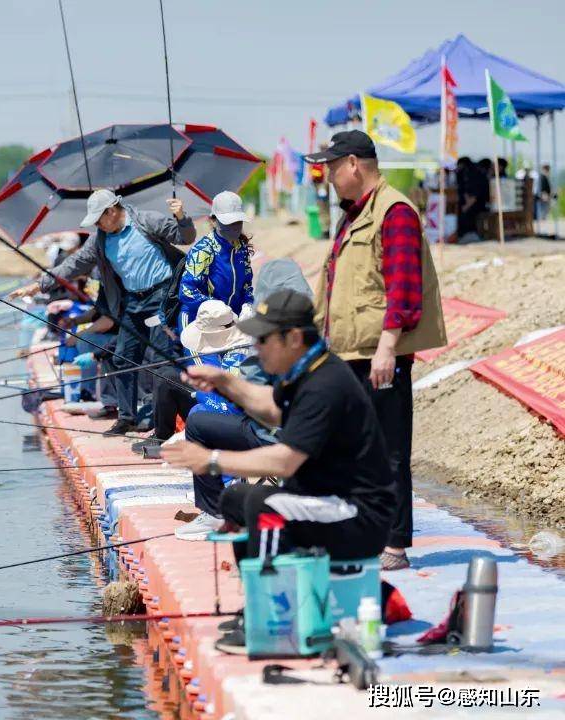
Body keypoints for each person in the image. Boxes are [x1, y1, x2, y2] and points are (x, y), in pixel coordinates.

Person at [162, 289, 397, 653]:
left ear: (293, 337)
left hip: (359, 515)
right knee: (236, 497)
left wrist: (210, 459)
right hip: (325, 501)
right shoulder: (304, 369)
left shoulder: (326, 383)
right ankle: (260, 605)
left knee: (263, 503)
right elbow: (271, 409)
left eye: (263, 339)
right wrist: (225, 382)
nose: (256, 347)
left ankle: (274, 619)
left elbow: (284, 461)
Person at [303, 130, 446, 571]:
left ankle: (394, 543)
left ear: (352, 164)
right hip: (349, 352)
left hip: (378, 354)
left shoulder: (394, 211)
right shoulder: (354, 214)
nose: (324, 175)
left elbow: (403, 289)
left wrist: (388, 348)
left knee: (388, 449)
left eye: (329, 166)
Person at [11, 190, 195, 435]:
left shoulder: (146, 221)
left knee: (161, 362)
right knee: (122, 358)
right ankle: (126, 417)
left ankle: (162, 428)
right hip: (133, 301)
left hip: (161, 297)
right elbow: (74, 264)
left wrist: (181, 216)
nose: (97, 225)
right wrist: (39, 285)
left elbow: (185, 236)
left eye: (99, 219)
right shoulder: (100, 238)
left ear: (112, 211)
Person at [172, 259, 314, 540]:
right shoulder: (318, 340)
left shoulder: (265, 349)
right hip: (306, 436)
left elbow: (257, 403)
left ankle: (214, 513)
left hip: (279, 438)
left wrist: (225, 386)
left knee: (199, 419)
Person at [177, 190, 255, 327]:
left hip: (231, 322)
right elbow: (186, 290)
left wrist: (248, 305)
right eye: (228, 222)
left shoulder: (241, 249)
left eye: (237, 221)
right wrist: (214, 307)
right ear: (213, 221)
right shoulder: (204, 250)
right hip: (198, 322)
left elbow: (246, 286)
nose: (234, 227)